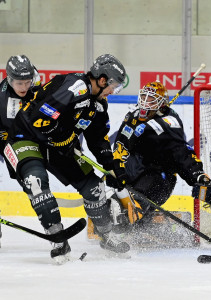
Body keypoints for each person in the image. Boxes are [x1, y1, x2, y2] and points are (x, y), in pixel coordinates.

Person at [3, 54, 130, 263]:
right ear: (102, 80)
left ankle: (107, 235)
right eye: (113, 86)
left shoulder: (98, 104)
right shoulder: (75, 87)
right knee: (36, 182)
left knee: (94, 187)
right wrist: (63, 139)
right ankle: (58, 239)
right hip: (25, 137)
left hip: (59, 145)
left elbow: (98, 139)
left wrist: (112, 167)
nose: (112, 92)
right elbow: (40, 120)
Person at [110, 81, 211, 242]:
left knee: (136, 202)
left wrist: (198, 177)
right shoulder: (132, 117)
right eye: (143, 97)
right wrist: (114, 168)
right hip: (134, 174)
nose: (145, 102)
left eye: (151, 100)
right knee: (113, 202)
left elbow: (181, 153)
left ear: (161, 103)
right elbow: (120, 147)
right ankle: (137, 221)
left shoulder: (169, 123)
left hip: (158, 179)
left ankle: (134, 218)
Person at [0, 55, 41, 249]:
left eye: (27, 82)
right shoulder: (2, 98)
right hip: (7, 140)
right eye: (19, 83)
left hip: (31, 141)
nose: (24, 87)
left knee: (32, 180)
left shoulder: (38, 89)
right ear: (9, 80)